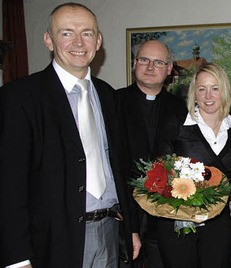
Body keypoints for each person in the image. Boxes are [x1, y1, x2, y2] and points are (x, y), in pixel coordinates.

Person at [0, 2, 138, 267]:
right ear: (48, 40)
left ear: (98, 41)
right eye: (66, 33)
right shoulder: (19, 98)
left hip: (111, 232)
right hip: (53, 241)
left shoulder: (109, 96)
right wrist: (17, 258)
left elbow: (119, 167)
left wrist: (130, 228)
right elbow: (9, 183)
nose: (78, 42)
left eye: (87, 33)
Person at [154, 63, 231, 267]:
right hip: (178, 223)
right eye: (202, 89)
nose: (208, 96)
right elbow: (158, 174)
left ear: (225, 91)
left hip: (217, 225)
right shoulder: (175, 123)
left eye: (215, 88)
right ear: (194, 93)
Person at [117, 39, 187, 268]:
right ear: (134, 63)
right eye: (144, 60)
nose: (149, 67)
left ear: (169, 69)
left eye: (158, 62)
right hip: (123, 211)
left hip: (165, 212)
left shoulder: (181, 108)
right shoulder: (113, 102)